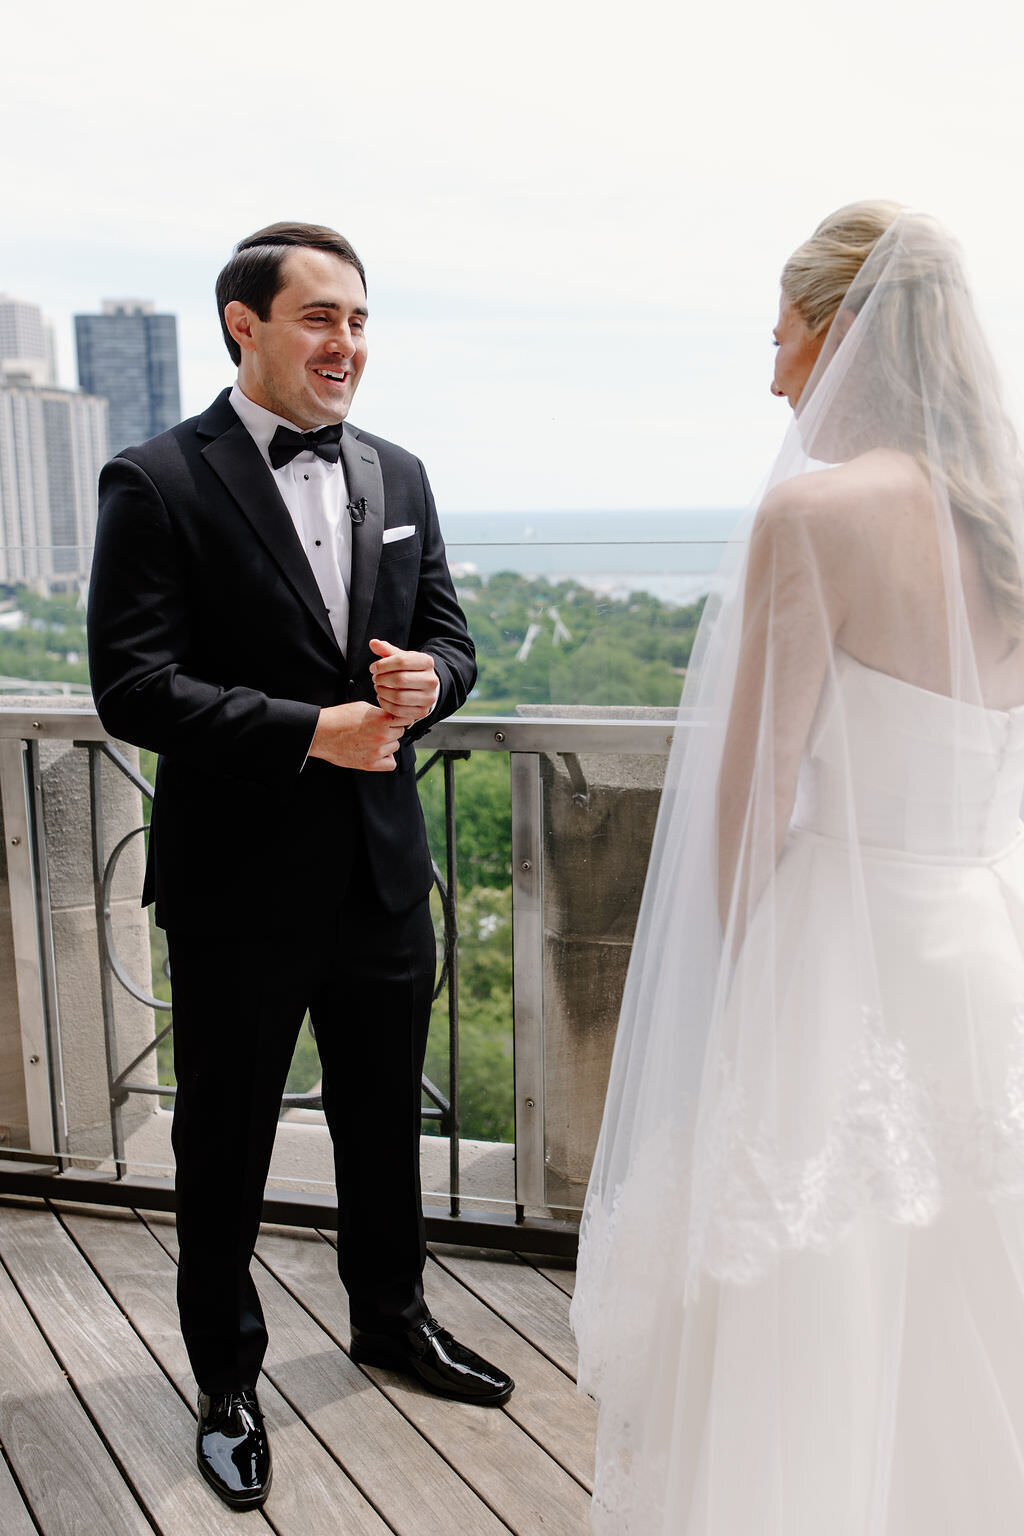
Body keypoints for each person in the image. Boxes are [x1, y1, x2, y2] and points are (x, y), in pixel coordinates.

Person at [572, 203, 1024, 1533]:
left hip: (842, 953)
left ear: (844, 335)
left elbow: (750, 804)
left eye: (782, 340)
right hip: (982, 949)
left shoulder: (816, 518)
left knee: (811, 1292)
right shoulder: (1009, 529)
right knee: (965, 1282)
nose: (774, 378)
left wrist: (724, 1003)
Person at [87, 221, 513, 1512]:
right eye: (321, 318)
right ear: (243, 324)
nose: (348, 346)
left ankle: (391, 1318)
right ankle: (226, 1380)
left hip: (385, 878)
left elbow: (452, 636)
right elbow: (131, 687)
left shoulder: (402, 475)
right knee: (225, 1149)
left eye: (362, 321)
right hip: (236, 894)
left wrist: (434, 678)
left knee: (383, 1124)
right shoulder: (154, 481)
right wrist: (307, 734)